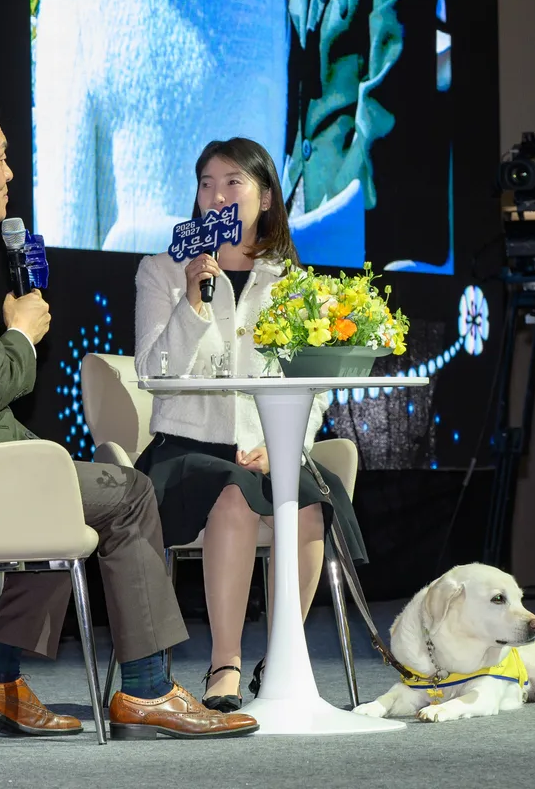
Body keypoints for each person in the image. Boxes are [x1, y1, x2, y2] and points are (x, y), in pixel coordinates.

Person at [0, 87, 258, 740]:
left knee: (63, 495)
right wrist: (22, 332)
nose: (10, 173)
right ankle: (148, 689)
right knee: (128, 493)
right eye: (1, 157)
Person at [133, 137, 369, 711]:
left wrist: (284, 445)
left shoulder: (288, 281)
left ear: (264, 197)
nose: (216, 195)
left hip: (266, 446)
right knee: (235, 498)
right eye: (206, 184)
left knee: (308, 504)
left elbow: (312, 385)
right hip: (186, 448)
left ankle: (281, 658)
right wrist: (193, 303)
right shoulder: (162, 271)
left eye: (232, 182)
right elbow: (152, 373)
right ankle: (226, 665)